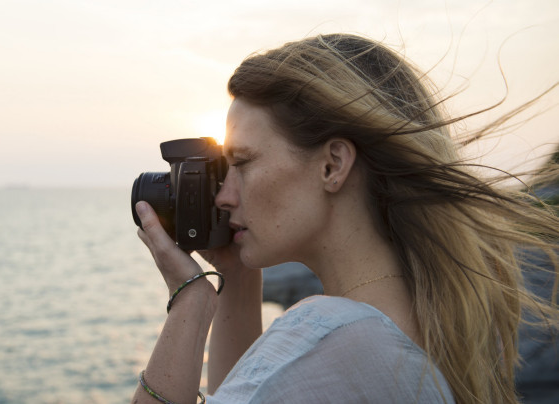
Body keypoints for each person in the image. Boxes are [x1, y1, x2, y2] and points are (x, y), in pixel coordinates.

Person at [130, 34, 559, 404]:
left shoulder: (332, 335)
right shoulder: (417, 327)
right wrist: (236, 280)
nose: (223, 196)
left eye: (241, 163)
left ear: (333, 165)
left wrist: (190, 298)